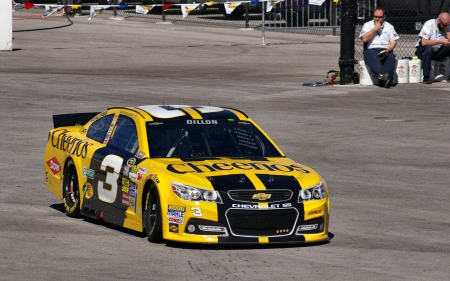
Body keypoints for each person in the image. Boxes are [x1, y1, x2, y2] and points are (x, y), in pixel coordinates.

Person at [359, 7, 399, 88]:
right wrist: (375, 29)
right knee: (373, 56)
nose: (377, 19)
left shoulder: (389, 26)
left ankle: (386, 77)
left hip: (385, 49)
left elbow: (394, 41)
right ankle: (383, 77)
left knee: (391, 57)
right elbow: (365, 39)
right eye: (375, 17)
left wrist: (387, 50)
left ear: (384, 17)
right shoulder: (367, 25)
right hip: (371, 48)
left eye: (379, 17)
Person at [415, 12, 450, 84]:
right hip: (423, 51)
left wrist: (447, 30)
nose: (445, 26)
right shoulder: (429, 24)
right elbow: (424, 42)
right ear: (439, 21)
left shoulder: (446, 27)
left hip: (436, 52)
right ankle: (426, 77)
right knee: (428, 48)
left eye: (447, 25)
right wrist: (440, 41)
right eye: (444, 25)